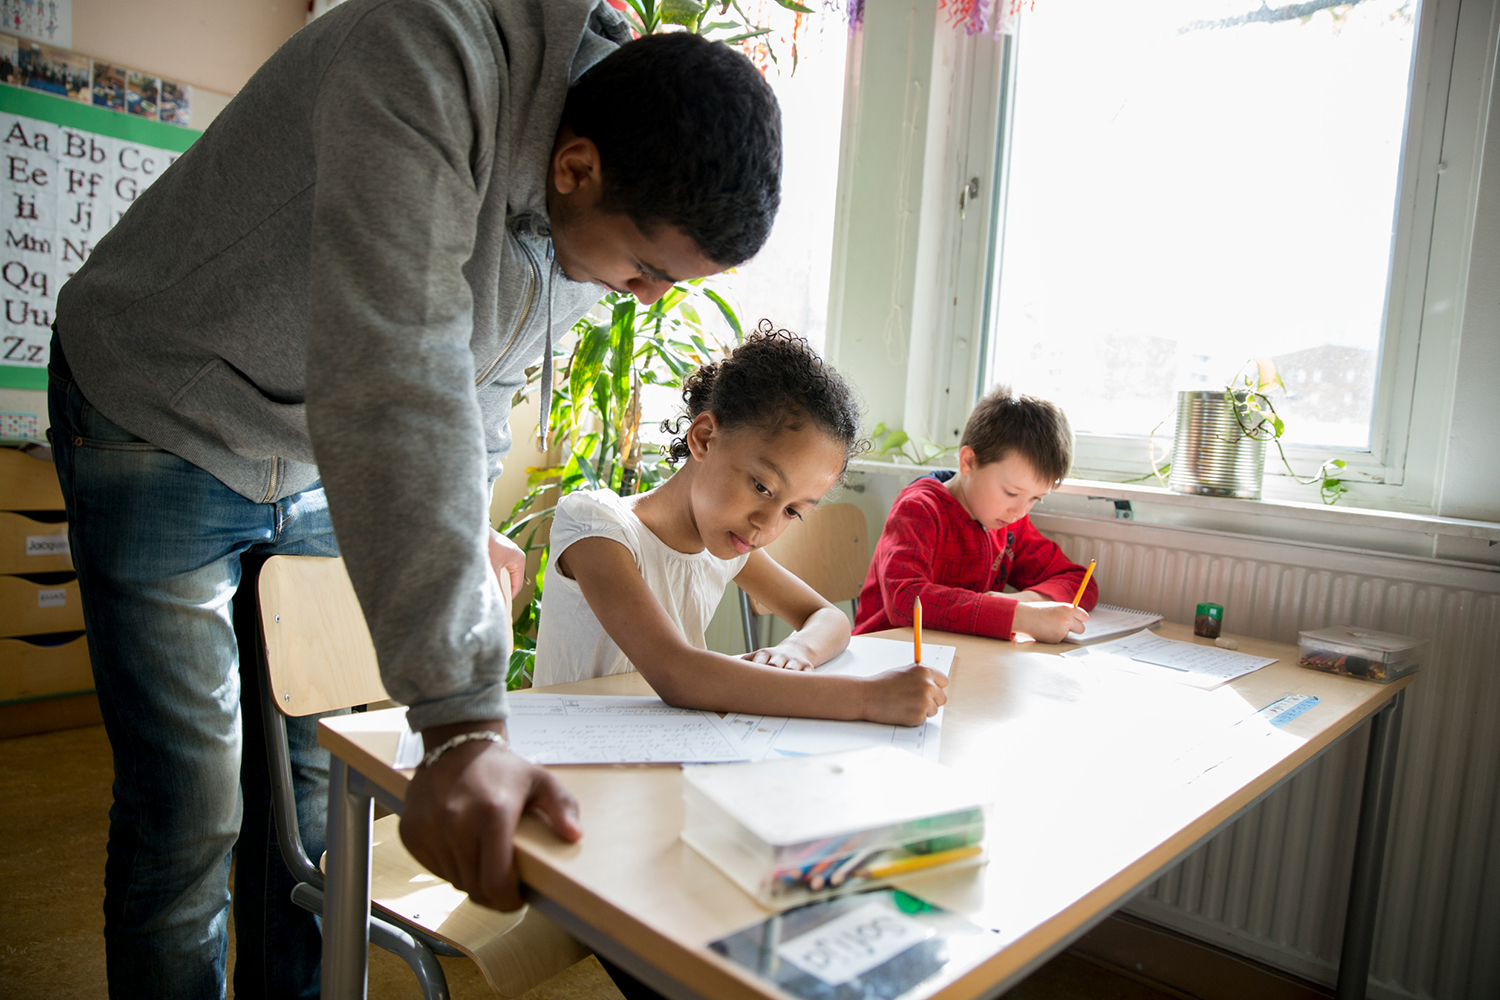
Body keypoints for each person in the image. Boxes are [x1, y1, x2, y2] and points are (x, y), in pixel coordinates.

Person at [47, 0, 783, 994]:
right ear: (575, 166)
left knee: (306, 799)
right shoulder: (423, 53)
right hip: (162, 409)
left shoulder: (590, 212)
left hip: (313, 445)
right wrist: (463, 723)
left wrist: (469, 515)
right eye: (648, 269)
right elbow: (394, 362)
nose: (644, 296)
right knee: (189, 804)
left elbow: (475, 390)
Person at [532, 324, 949, 726]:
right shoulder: (597, 528)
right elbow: (678, 674)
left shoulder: (726, 548)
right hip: (571, 766)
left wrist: (797, 651)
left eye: (793, 511)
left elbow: (827, 617)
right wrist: (867, 699)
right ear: (705, 438)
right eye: (762, 487)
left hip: (662, 756)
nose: (765, 525)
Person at [854, 385, 1098, 643]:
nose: (1020, 511)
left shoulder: (1008, 523)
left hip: (955, 653)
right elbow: (905, 601)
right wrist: (1019, 617)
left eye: (1035, 498)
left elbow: (1081, 582)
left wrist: (1024, 603)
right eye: (1011, 493)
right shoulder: (919, 509)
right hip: (884, 653)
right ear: (968, 462)